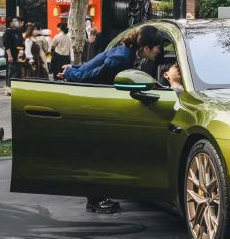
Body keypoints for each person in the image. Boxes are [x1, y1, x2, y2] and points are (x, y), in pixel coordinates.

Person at [62, 25, 164, 215]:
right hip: (98, 107)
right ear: (146, 47)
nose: (159, 51)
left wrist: (74, 68)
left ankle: (98, 198)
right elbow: (92, 75)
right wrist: (71, 73)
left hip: (104, 106)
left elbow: (91, 65)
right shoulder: (122, 58)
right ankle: (96, 200)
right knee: (100, 152)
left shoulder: (127, 52)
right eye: (158, 47)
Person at [2, 17, 24, 96]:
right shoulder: (8, 32)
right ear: (10, 23)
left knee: (18, 72)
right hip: (12, 55)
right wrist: (9, 56)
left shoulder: (18, 31)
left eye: (17, 21)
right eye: (14, 21)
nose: (16, 22)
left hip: (19, 55)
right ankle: (9, 89)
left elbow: (21, 43)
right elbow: (6, 45)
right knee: (12, 72)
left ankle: (15, 88)